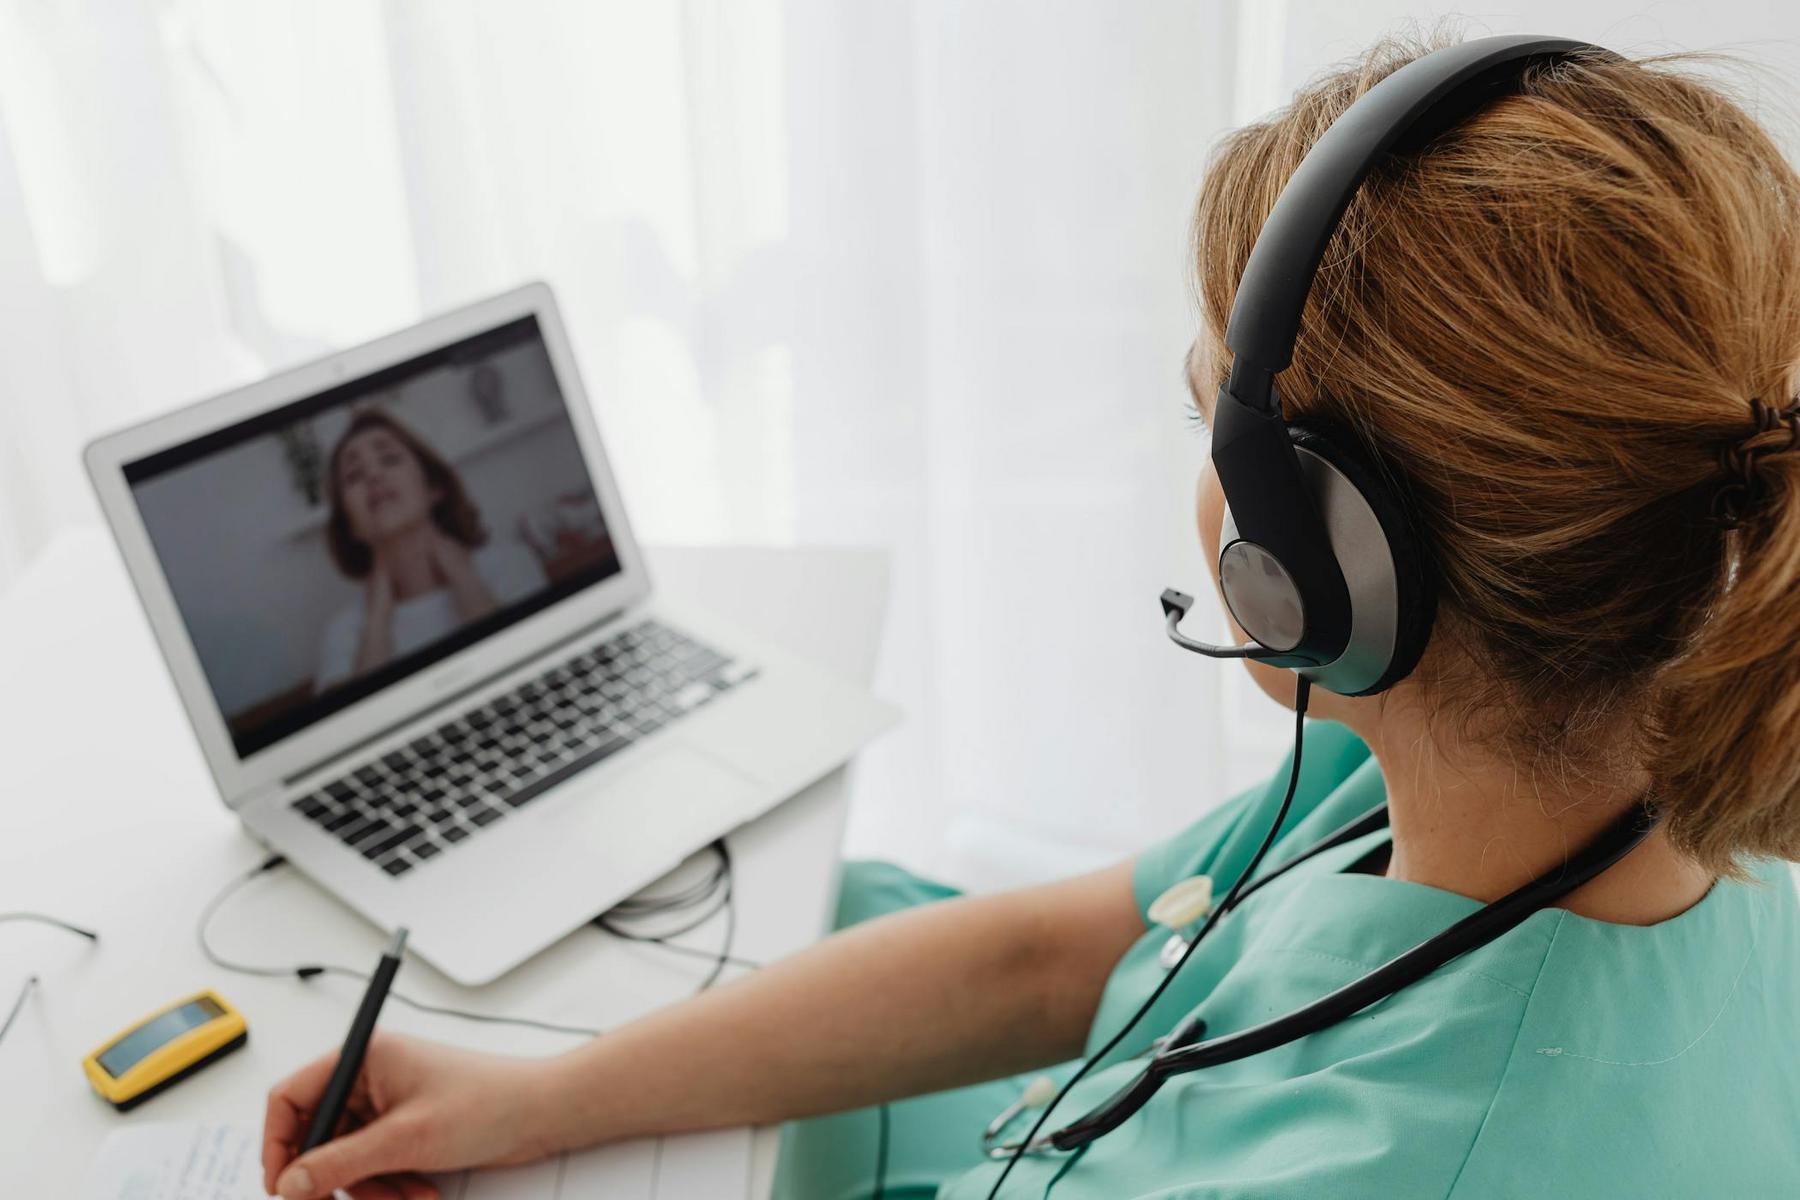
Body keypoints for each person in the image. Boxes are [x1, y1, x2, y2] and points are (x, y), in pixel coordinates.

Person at [261, 35, 1800, 1200]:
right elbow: (1049, 960)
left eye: (1208, 413)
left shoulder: (1378, 1156)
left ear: (1318, 560)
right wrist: (521, 1102)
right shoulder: (1513, 756)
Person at [314, 409, 546, 691]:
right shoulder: (344, 632)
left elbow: (534, 680)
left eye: (389, 459)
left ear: (434, 487)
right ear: (349, 525)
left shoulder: (512, 565)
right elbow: (351, 729)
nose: (373, 475)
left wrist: (466, 582)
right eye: (354, 476)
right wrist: (377, 622)